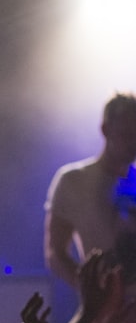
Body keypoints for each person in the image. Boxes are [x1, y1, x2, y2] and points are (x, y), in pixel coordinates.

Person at [45, 92, 136, 291]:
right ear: (105, 130)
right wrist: (93, 293)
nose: (133, 143)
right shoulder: (73, 180)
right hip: (104, 318)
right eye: (126, 134)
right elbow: (55, 253)